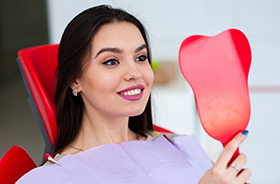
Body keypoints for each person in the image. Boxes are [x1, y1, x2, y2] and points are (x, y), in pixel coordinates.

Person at [17, 5, 251, 183]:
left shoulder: (181, 146)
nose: (135, 73)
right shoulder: (48, 179)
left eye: (141, 58)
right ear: (74, 81)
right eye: (111, 61)